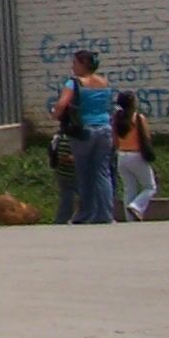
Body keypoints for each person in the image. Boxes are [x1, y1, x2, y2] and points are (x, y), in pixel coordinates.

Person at [52, 49, 115, 225]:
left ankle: (84, 213)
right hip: (105, 129)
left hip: (84, 131)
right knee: (102, 172)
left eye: (75, 63)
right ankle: (105, 213)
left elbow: (62, 104)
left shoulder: (74, 83)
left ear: (83, 64)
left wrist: (56, 114)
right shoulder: (104, 82)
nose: (73, 67)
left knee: (83, 173)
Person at [114, 91, 158, 221]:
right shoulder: (138, 118)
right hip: (136, 155)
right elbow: (146, 137)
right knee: (150, 187)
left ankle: (130, 219)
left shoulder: (116, 119)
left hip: (121, 156)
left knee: (129, 188)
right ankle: (137, 206)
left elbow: (114, 140)